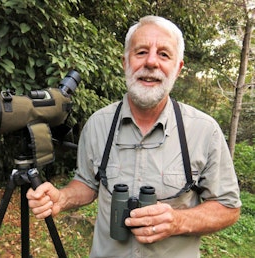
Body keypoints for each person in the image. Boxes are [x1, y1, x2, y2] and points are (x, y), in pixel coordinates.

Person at [27, 15, 241, 258]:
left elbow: (228, 207)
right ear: (125, 62)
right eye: (140, 52)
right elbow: (88, 183)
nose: (151, 62)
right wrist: (62, 198)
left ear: (178, 68)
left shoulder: (205, 131)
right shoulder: (98, 124)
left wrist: (178, 221)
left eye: (164, 54)